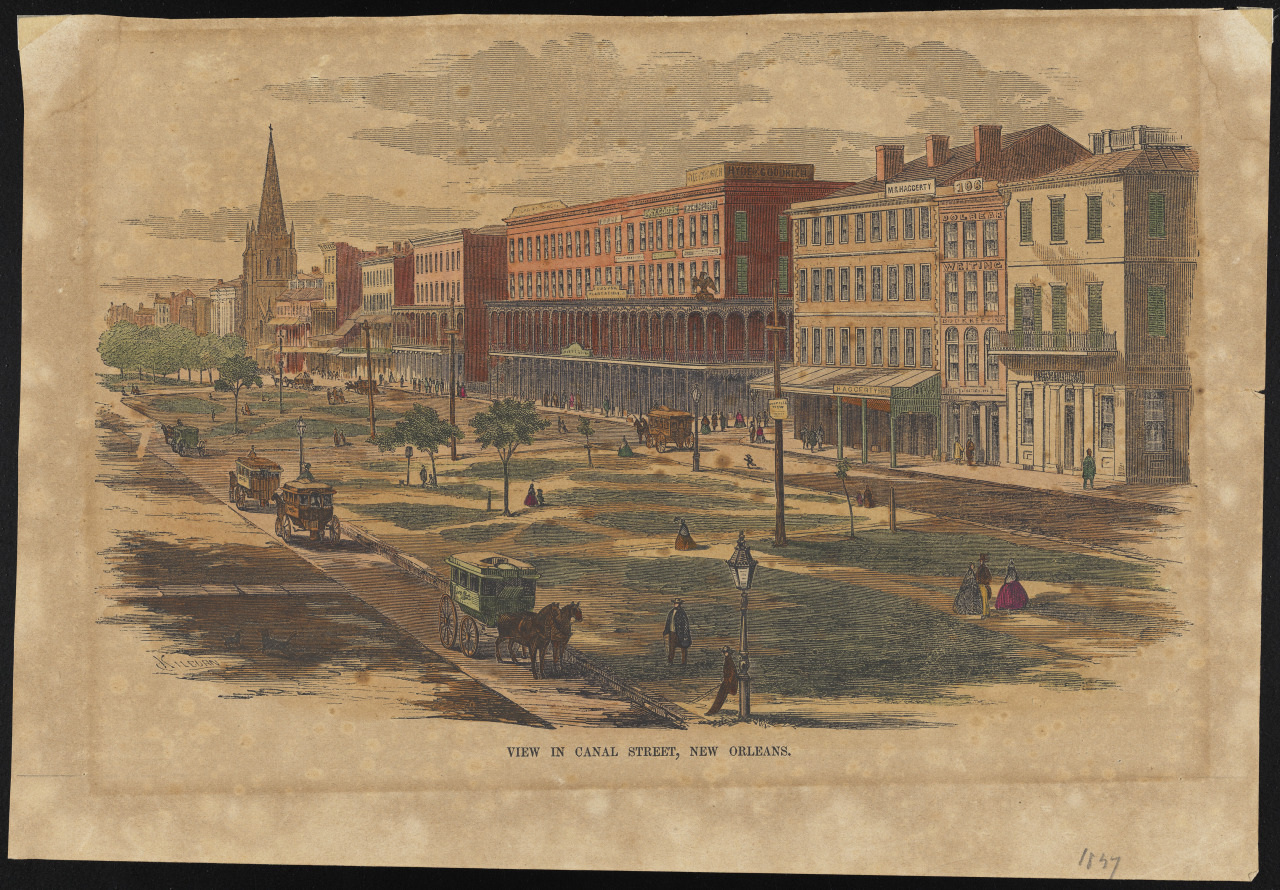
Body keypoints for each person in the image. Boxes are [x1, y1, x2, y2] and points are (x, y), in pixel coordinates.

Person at [705, 646, 739, 716]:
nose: (725, 654)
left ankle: (713, 711)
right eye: (724, 652)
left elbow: (733, 672)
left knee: (720, 697)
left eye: (726, 652)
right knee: (720, 697)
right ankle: (713, 711)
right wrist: (724, 679)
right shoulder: (727, 659)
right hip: (726, 681)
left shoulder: (729, 660)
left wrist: (728, 681)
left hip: (728, 682)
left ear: (729, 653)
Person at [662, 598, 692, 665]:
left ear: (679, 604)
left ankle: (684, 662)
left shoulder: (682, 613)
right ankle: (670, 661)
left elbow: (685, 624)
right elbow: (668, 622)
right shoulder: (671, 612)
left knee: (683, 647)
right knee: (671, 647)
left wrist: (685, 634)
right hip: (672, 632)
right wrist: (666, 631)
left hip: (680, 632)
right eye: (675, 603)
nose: (676, 604)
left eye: (677, 603)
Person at [975, 553, 993, 619]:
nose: (981, 562)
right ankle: (986, 613)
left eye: (982, 561)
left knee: (984, 599)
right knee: (983, 600)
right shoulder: (980, 568)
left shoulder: (985, 569)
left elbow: (989, 577)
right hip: (980, 585)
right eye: (981, 561)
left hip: (983, 585)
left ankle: (985, 613)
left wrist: (985, 582)